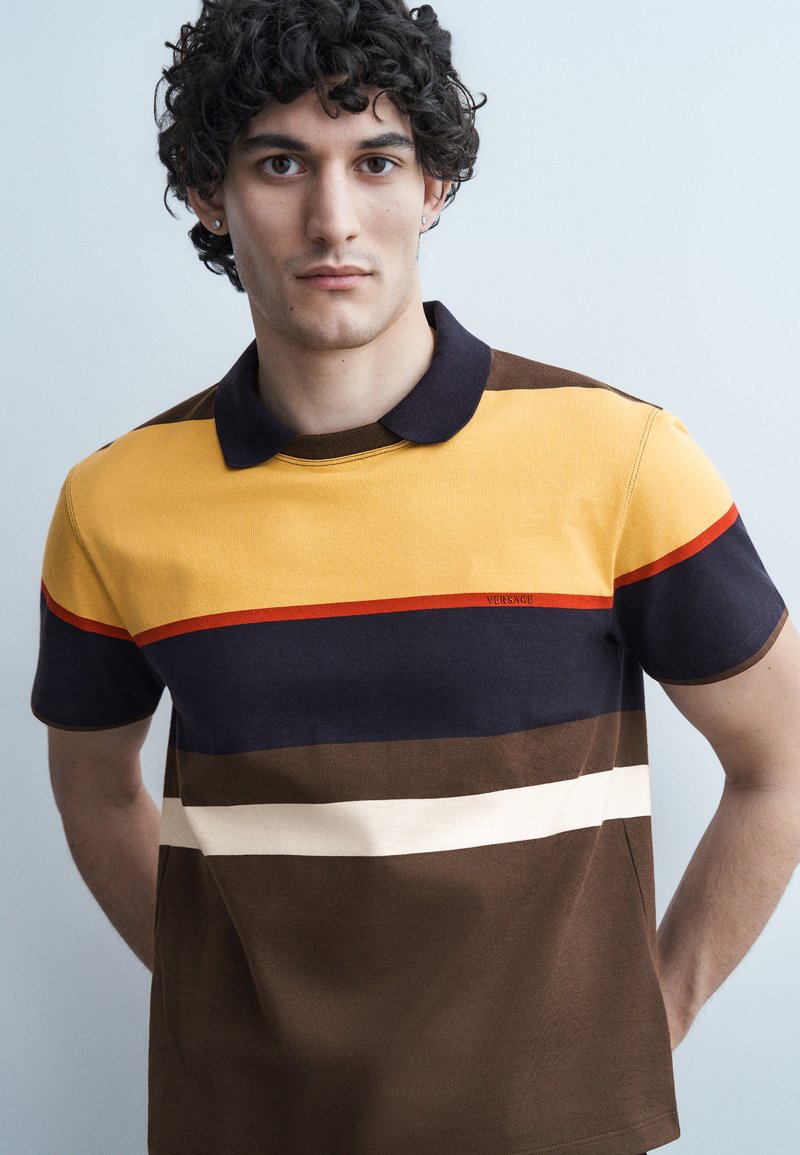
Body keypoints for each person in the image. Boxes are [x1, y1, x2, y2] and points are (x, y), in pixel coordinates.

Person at [31, 1, 800, 1153]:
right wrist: (222, 985)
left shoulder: (618, 456)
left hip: (560, 1128)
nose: (332, 218)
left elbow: (777, 762)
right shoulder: (113, 501)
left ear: (431, 187)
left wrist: (654, 1010)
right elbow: (95, 789)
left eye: (375, 160)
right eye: (279, 162)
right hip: (243, 1125)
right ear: (207, 193)